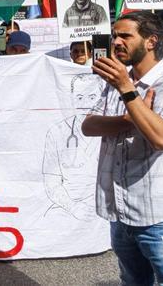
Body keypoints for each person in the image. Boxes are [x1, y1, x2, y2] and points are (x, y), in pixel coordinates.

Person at [81, 11, 163, 285]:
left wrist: (127, 90)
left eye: (125, 35)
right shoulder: (116, 81)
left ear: (151, 41)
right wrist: (130, 119)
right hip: (120, 211)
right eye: (114, 35)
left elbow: (161, 138)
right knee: (133, 281)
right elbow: (88, 126)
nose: (116, 42)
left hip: (159, 216)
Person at [41, 74, 103, 220]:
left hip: (104, 202)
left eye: (92, 97)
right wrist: (73, 207)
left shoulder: (112, 128)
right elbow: (51, 182)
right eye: (80, 97)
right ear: (72, 98)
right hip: (68, 205)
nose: (85, 104)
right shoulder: (57, 132)